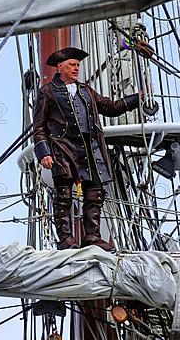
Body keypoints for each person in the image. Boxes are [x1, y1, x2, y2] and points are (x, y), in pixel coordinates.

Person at [33, 47, 141, 251]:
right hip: (63, 147)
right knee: (63, 194)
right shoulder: (47, 92)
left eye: (78, 65)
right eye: (72, 65)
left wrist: (137, 98)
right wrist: (44, 152)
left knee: (95, 193)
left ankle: (92, 236)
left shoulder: (86, 91)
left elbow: (110, 107)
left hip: (89, 147)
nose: (76, 69)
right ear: (60, 67)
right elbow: (38, 125)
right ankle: (65, 238)